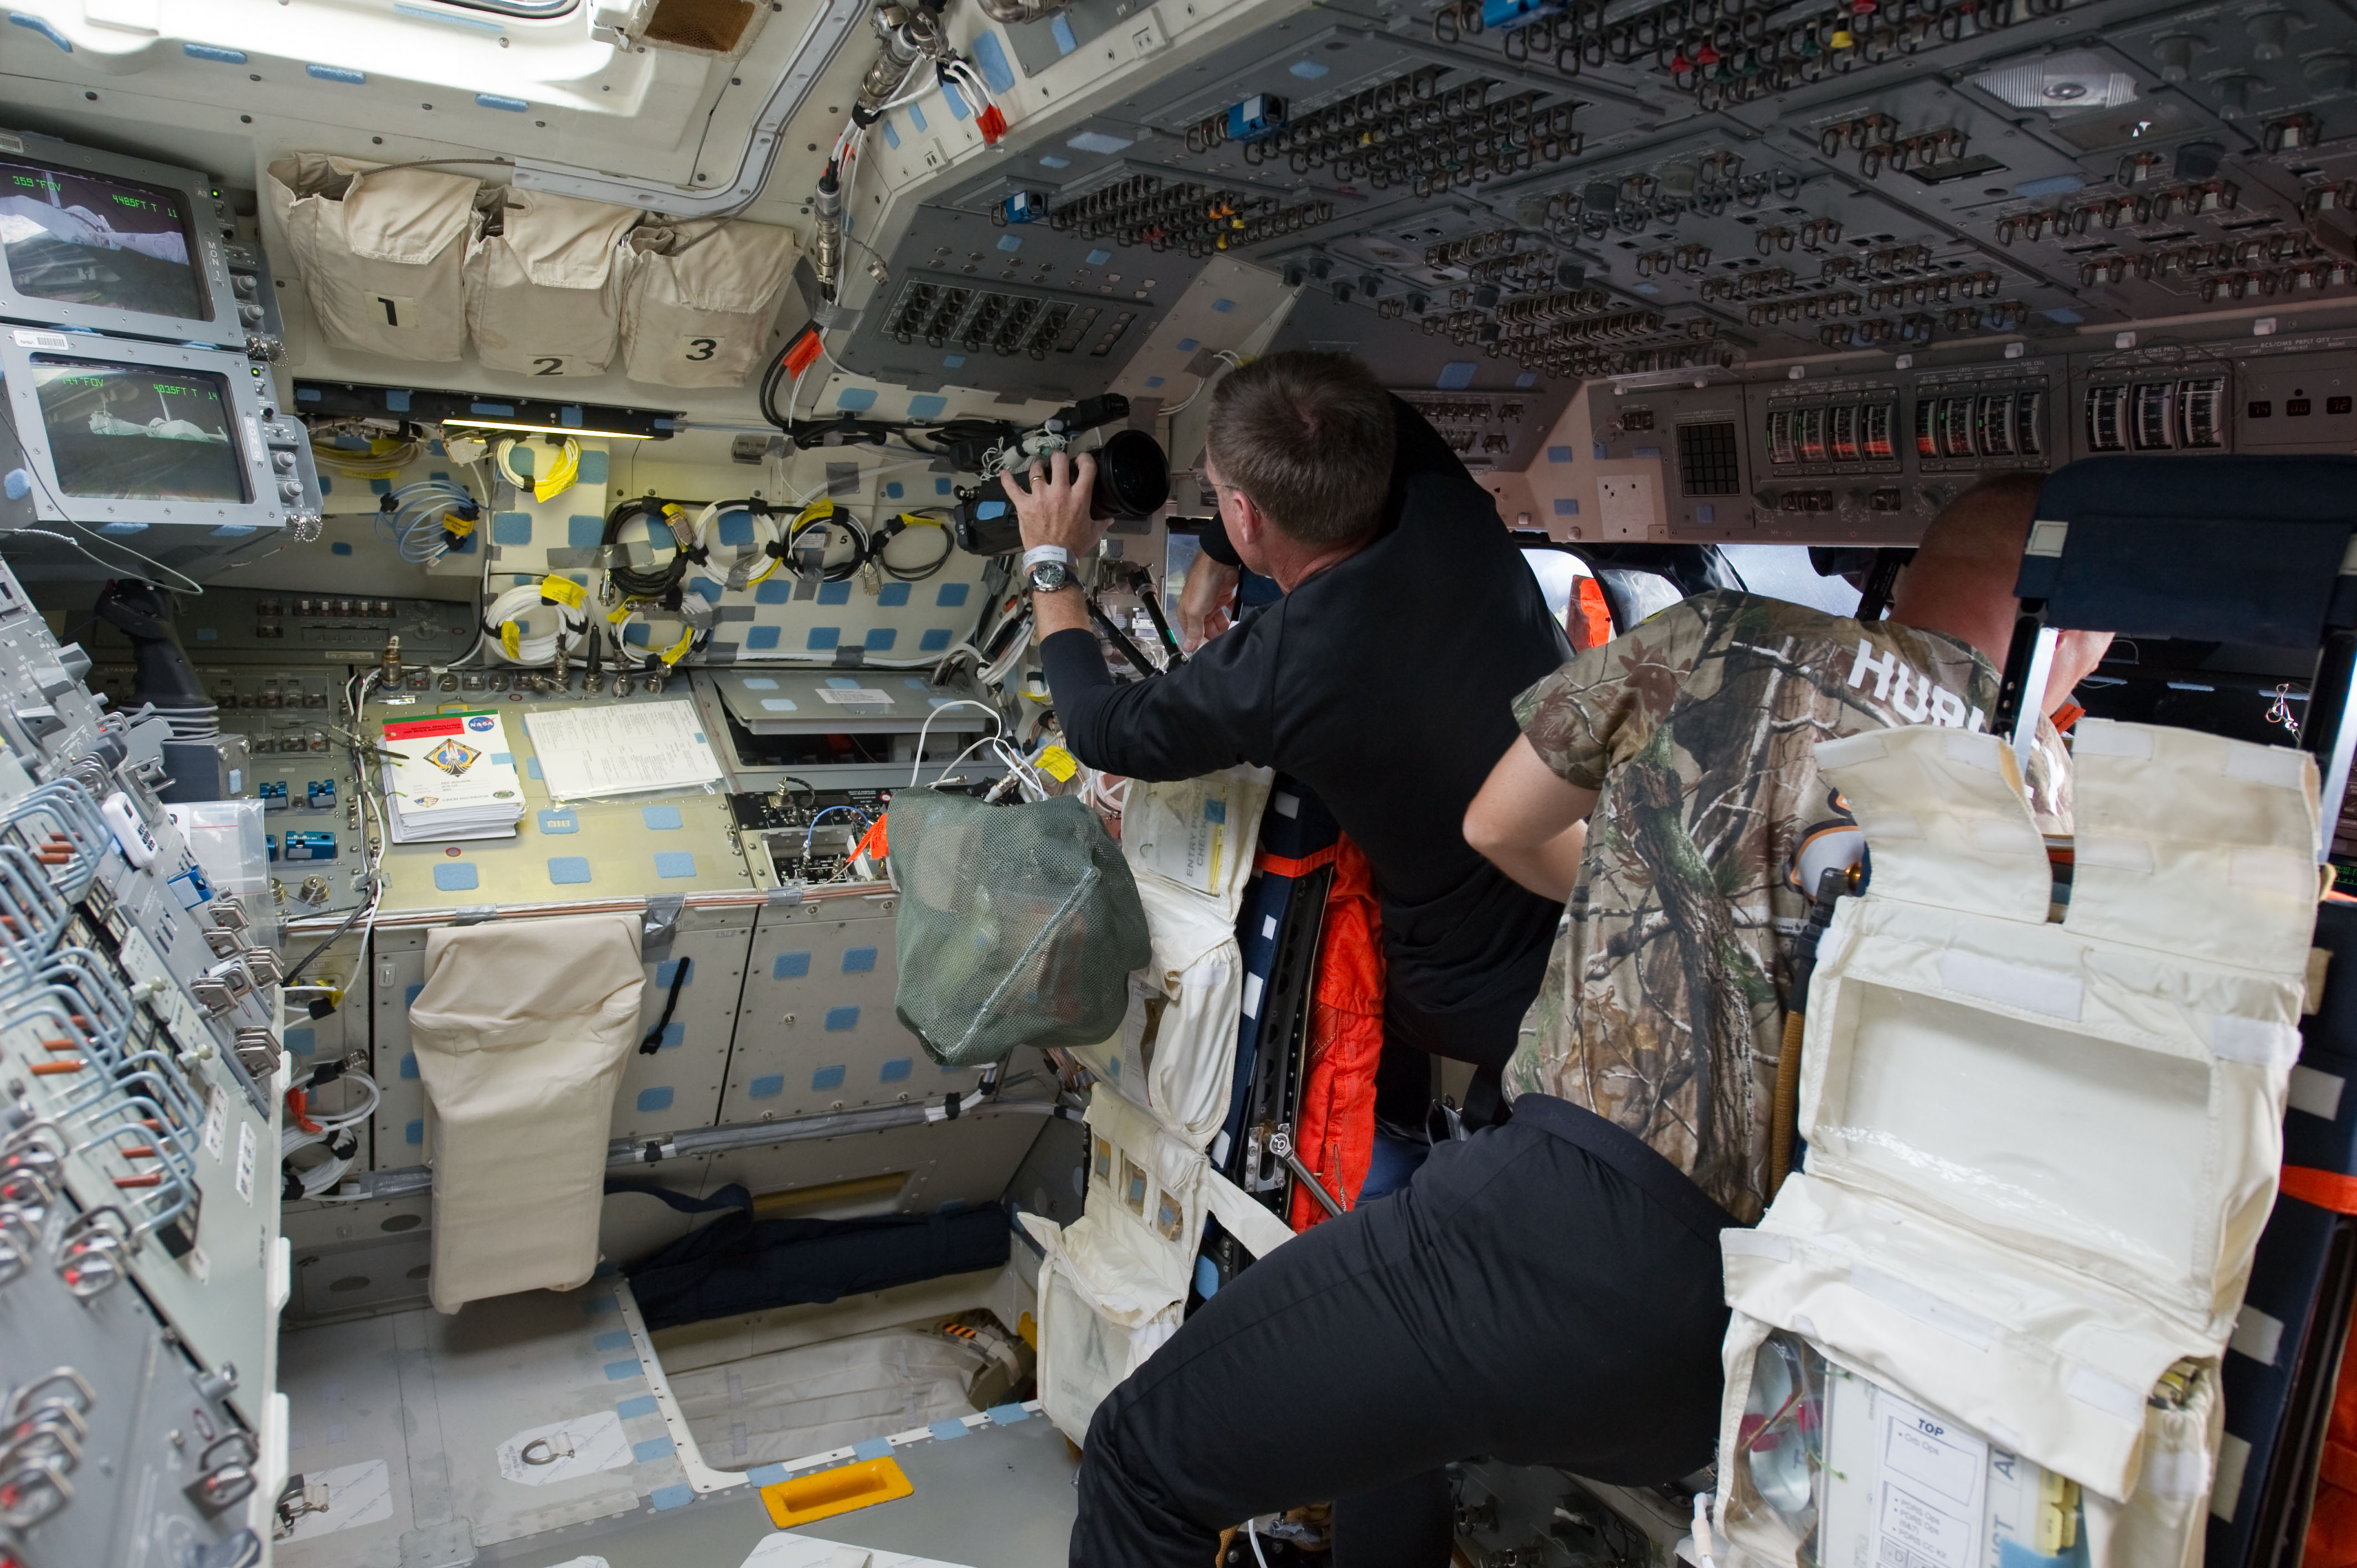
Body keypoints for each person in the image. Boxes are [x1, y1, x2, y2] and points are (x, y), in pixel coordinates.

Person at [1063, 471, 2112, 1568]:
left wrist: (1661, 888)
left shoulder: (1722, 636)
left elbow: (1497, 824)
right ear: (2071, 623)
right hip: (1764, 1338)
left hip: (1568, 1238)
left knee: (1144, 1458)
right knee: (1386, 1416)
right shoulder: (2047, 797)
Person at [1002, 350, 1571, 1183]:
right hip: (1588, 892)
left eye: (1217, 495)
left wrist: (1050, 558)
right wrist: (1217, 556)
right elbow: (1367, 406)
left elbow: (1096, 728)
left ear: (1246, 512)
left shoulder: (1288, 664)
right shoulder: (1449, 508)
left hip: (1473, 990)